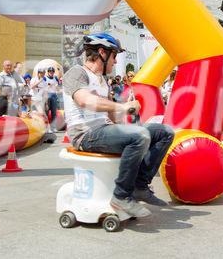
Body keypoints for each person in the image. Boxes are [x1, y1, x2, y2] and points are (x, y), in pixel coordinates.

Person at [62, 32, 174, 218]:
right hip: (84, 134)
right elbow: (84, 100)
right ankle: (121, 196)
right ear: (102, 53)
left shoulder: (103, 81)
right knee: (141, 136)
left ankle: (139, 185)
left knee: (164, 132)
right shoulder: (77, 73)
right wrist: (122, 107)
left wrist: (125, 116)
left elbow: (112, 118)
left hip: (103, 130)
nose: (115, 62)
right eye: (114, 56)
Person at [45, 66, 61, 133]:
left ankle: (53, 127)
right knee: (46, 112)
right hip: (47, 96)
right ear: (48, 72)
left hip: (54, 95)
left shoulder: (55, 78)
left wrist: (59, 70)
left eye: (52, 71)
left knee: (54, 112)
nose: (51, 73)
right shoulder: (45, 78)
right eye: (50, 71)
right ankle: (46, 128)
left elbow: (59, 82)